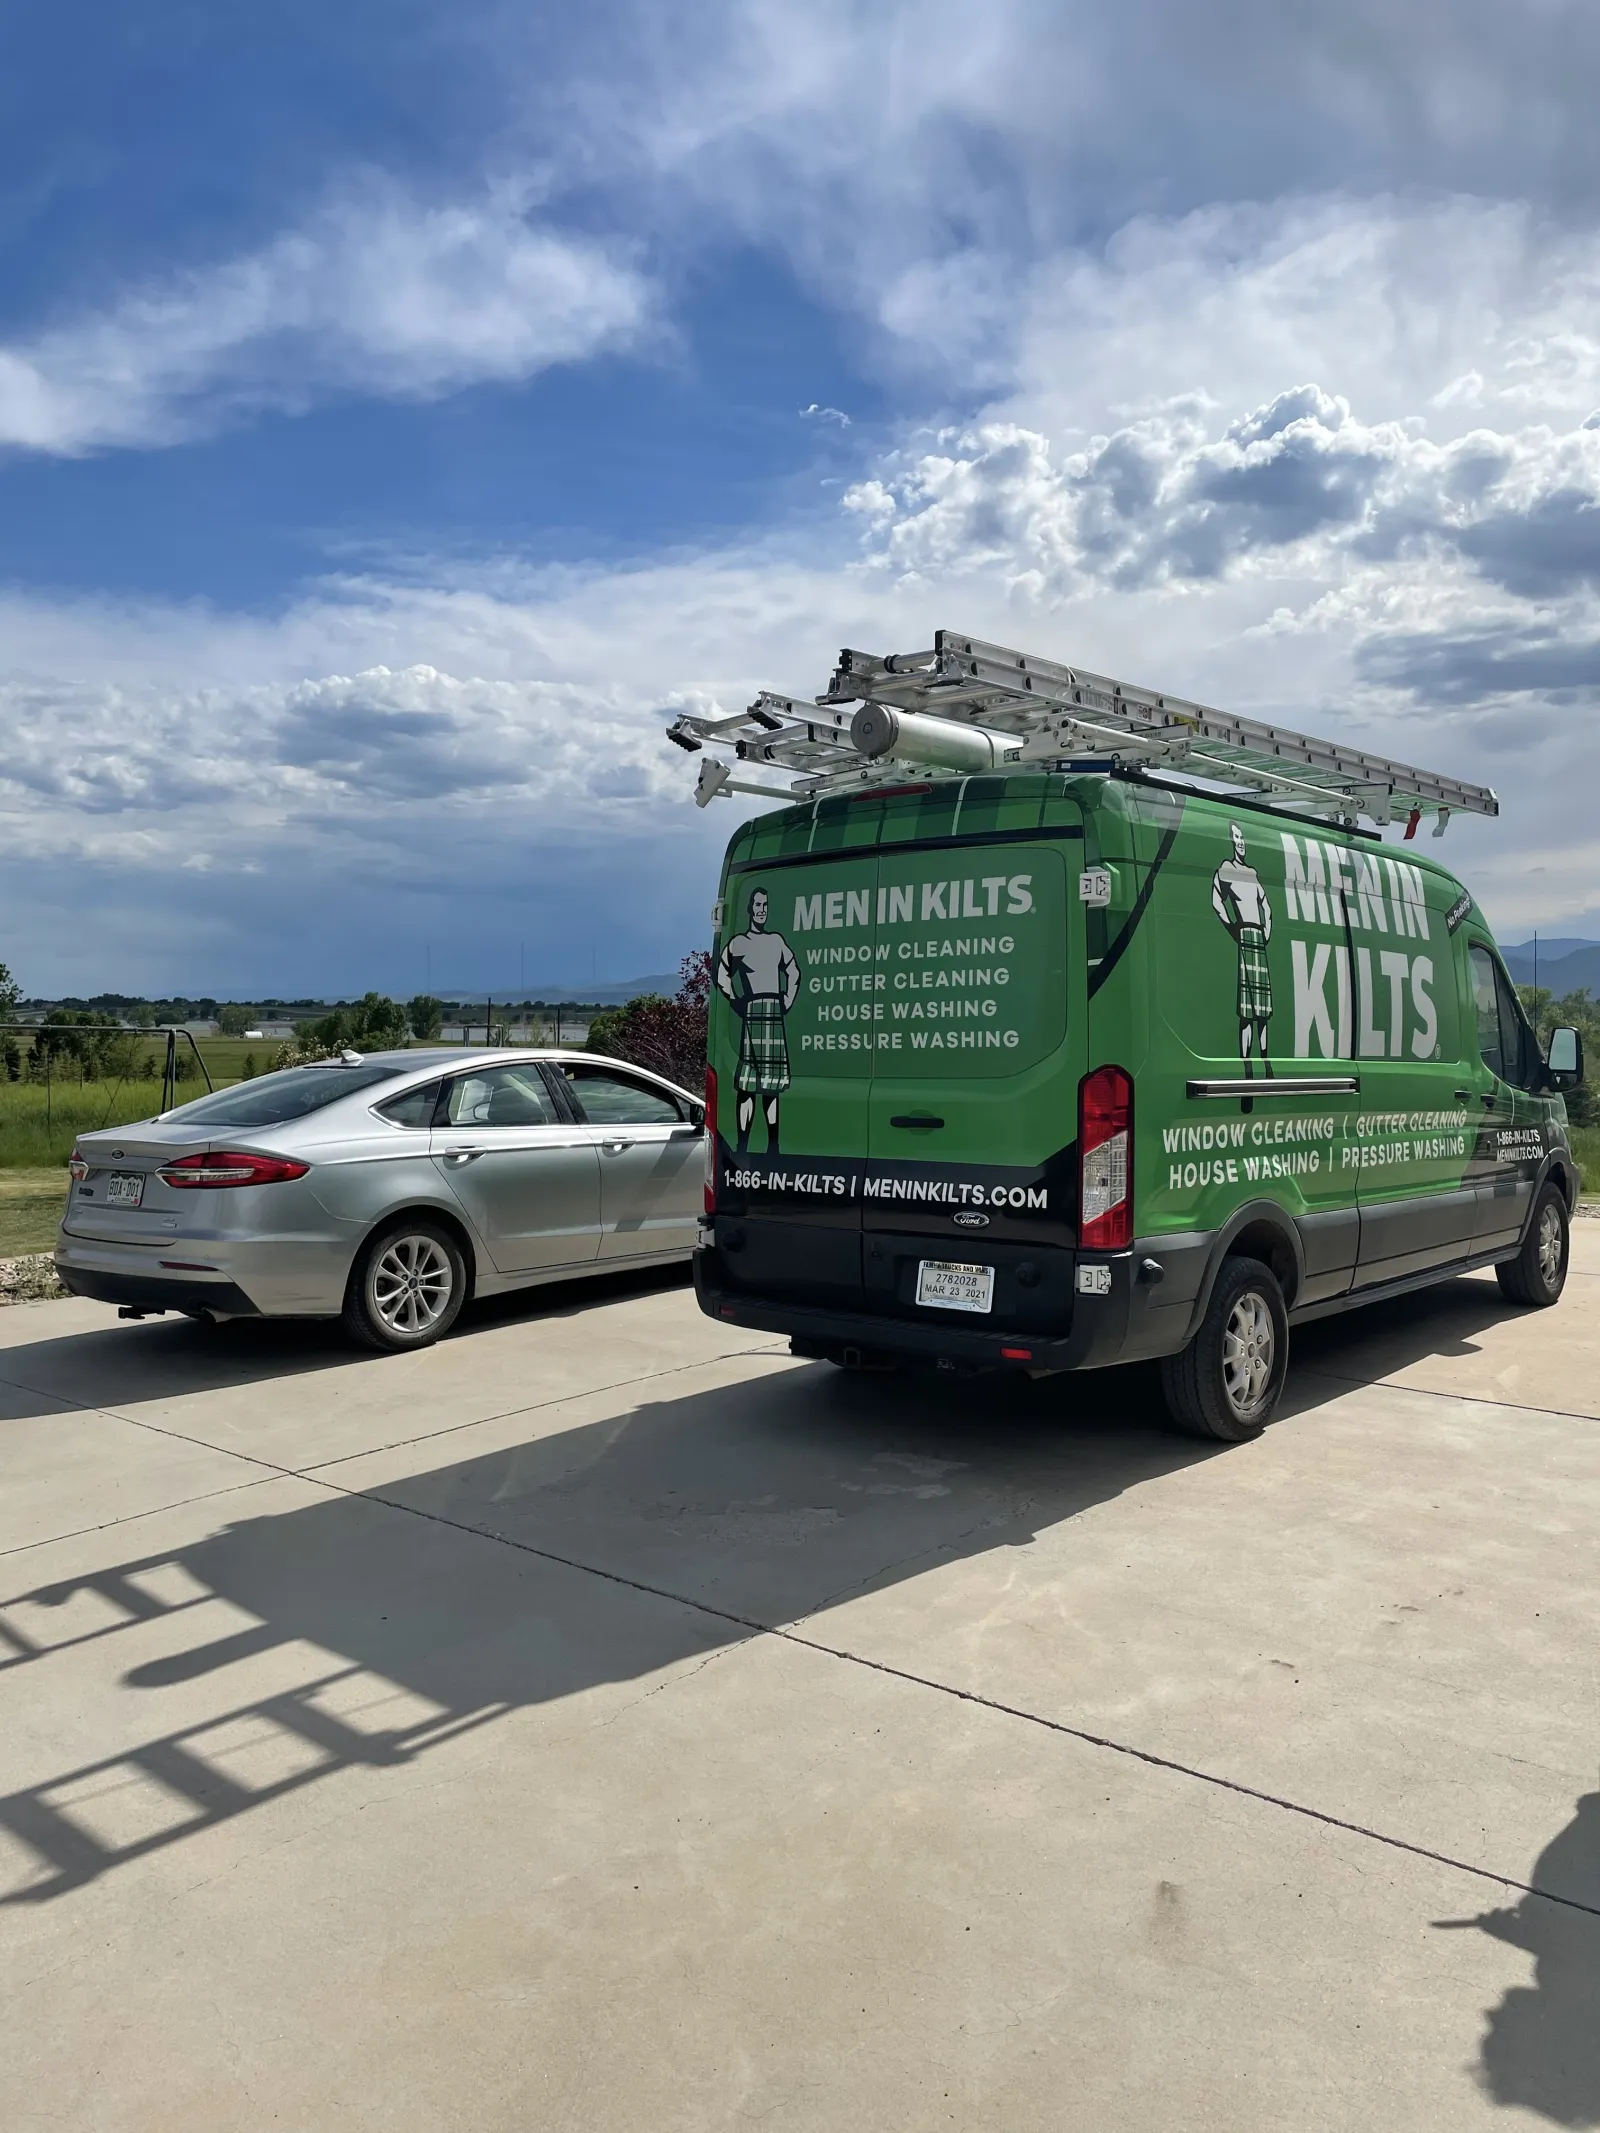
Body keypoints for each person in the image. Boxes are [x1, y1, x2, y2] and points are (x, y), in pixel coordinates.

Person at [713, 885, 800, 1154]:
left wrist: (787, 998)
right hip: (753, 1009)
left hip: (774, 1009)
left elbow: (793, 971)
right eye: (757, 905)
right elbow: (722, 973)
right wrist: (736, 1000)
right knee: (748, 1086)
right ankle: (742, 1145)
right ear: (750, 909)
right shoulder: (740, 943)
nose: (761, 910)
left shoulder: (776, 941)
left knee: (771, 1088)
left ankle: (773, 1146)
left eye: (765, 906)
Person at [1211, 822, 1274, 1079]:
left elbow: (1266, 905)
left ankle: (1267, 1062)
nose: (1240, 842)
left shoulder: (1251, 872)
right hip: (1245, 933)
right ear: (1230, 840)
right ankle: (1246, 1065)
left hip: (1257, 936)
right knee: (1247, 1010)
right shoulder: (1227, 869)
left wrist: (1267, 928)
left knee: (1263, 1010)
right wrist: (1232, 927)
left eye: (1242, 838)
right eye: (1236, 837)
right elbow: (1217, 900)